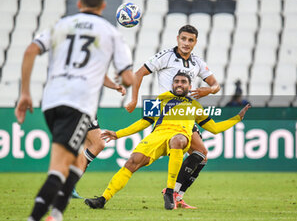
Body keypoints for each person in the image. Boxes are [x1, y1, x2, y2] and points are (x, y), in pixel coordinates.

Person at [15, 0, 133, 220]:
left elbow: (30, 50)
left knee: (87, 149)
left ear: (79, 3)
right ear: (104, 6)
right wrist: (123, 80)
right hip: (78, 103)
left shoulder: (61, 25)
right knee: (60, 168)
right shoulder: (110, 33)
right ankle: (40, 216)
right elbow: (128, 77)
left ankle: (57, 213)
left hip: (52, 102)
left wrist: (25, 93)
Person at [84, 72, 251, 210]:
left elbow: (214, 128)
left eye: (183, 82)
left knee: (178, 141)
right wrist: (118, 134)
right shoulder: (160, 99)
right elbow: (144, 122)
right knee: (131, 162)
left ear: (189, 86)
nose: (179, 84)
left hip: (180, 136)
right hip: (157, 136)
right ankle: (103, 199)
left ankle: (170, 191)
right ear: (172, 85)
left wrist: (237, 118)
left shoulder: (195, 106)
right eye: (176, 81)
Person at [124, 25, 221, 208]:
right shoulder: (165, 56)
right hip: (165, 112)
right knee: (142, 158)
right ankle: (173, 192)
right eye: (183, 39)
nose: (186, 43)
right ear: (177, 39)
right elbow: (138, 74)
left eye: (190, 40)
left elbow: (216, 85)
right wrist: (134, 99)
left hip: (185, 115)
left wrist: (208, 90)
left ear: (195, 42)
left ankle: (176, 194)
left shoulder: (197, 63)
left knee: (202, 156)